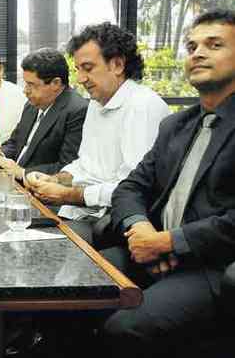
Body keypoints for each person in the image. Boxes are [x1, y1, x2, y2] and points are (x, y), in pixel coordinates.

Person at [102, 9, 235, 358]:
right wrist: (141, 229)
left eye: (214, 44)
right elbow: (130, 188)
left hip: (212, 265)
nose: (198, 53)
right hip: (149, 250)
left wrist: (170, 242)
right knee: (73, 288)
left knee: (124, 329)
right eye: (191, 46)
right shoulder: (177, 126)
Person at [25, 22, 170, 245]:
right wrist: (54, 179)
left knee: (34, 247)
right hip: (79, 212)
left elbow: (132, 190)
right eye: (78, 70)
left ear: (118, 64)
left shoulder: (143, 106)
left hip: (112, 224)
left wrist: (67, 194)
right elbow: (85, 165)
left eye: (88, 68)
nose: (81, 78)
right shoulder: (96, 102)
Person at [0, 48, 88, 180]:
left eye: (31, 85)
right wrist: (0, 153)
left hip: (41, 191)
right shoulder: (32, 105)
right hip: (12, 181)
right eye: (25, 84)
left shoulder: (77, 110)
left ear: (56, 84)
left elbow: (68, 166)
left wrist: (22, 172)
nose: (25, 91)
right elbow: (15, 142)